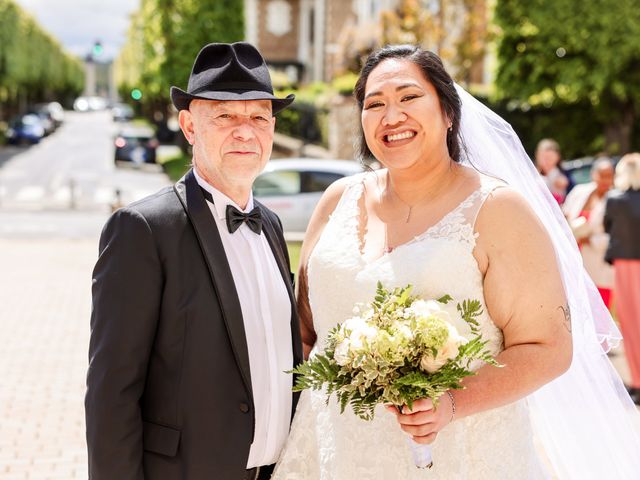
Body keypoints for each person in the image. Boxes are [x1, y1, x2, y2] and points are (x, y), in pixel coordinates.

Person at [272, 45, 640, 479]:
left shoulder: (498, 210)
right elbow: (307, 333)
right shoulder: (336, 201)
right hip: (331, 454)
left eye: (409, 98)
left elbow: (549, 348)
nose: (391, 116)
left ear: (448, 112)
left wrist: (451, 403)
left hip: (456, 458)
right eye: (375, 104)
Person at [85, 42, 302, 479]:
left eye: (259, 117)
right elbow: (112, 394)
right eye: (225, 116)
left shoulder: (273, 226)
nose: (246, 131)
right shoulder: (141, 230)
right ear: (188, 126)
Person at [604, 153, 640, 404]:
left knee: (631, 324)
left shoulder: (615, 200)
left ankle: (637, 381)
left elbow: (608, 227)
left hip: (626, 265)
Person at [563, 158, 615, 308]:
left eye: (609, 175)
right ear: (593, 174)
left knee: (598, 303)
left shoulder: (615, 199)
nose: (606, 180)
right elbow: (565, 213)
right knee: (575, 300)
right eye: (602, 175)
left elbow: (617, 234)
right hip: (574, 253)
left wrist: (591, 240)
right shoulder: (579, 192)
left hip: (598, 258)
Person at [535, 138, 570, 204]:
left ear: (557, 157)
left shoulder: (562, 176)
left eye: (550, 157)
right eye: (544, 157)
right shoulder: (533, 175)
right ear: (537, 156)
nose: (546, 160)